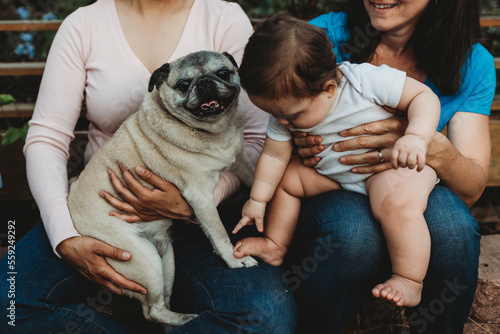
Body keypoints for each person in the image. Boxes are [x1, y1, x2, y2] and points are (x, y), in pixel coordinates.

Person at [0, 0, 296, 333]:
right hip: (105, 211)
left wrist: (196, 201)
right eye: (186, 85)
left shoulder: (223, 17)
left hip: (210, 214)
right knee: (10, 304)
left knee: (265, 314)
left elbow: (257, 139)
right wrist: (63, 233)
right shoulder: (83, 25)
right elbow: (46, 139)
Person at [284, 0, 494, 332]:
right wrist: (297, 142)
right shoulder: (322, 38)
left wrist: (430, 145)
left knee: (453, 228)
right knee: (354, 231)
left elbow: (470, 188)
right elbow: (272, 115)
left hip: (407, 185)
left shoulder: (470, 63)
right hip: (333, 182)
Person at [232, 14, 441, 308]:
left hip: (390, 170)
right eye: (275, 114)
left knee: (397, 203)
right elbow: (274, 155)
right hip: (336, 173)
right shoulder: (286, 105)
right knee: (288, 178)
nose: (281, 122)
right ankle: (275, 244)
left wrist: (416, 137)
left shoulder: (364, 80)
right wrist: (257, 199)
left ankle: (409, 279)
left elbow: (423, 96)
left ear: (328, 89)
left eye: (291, 116)